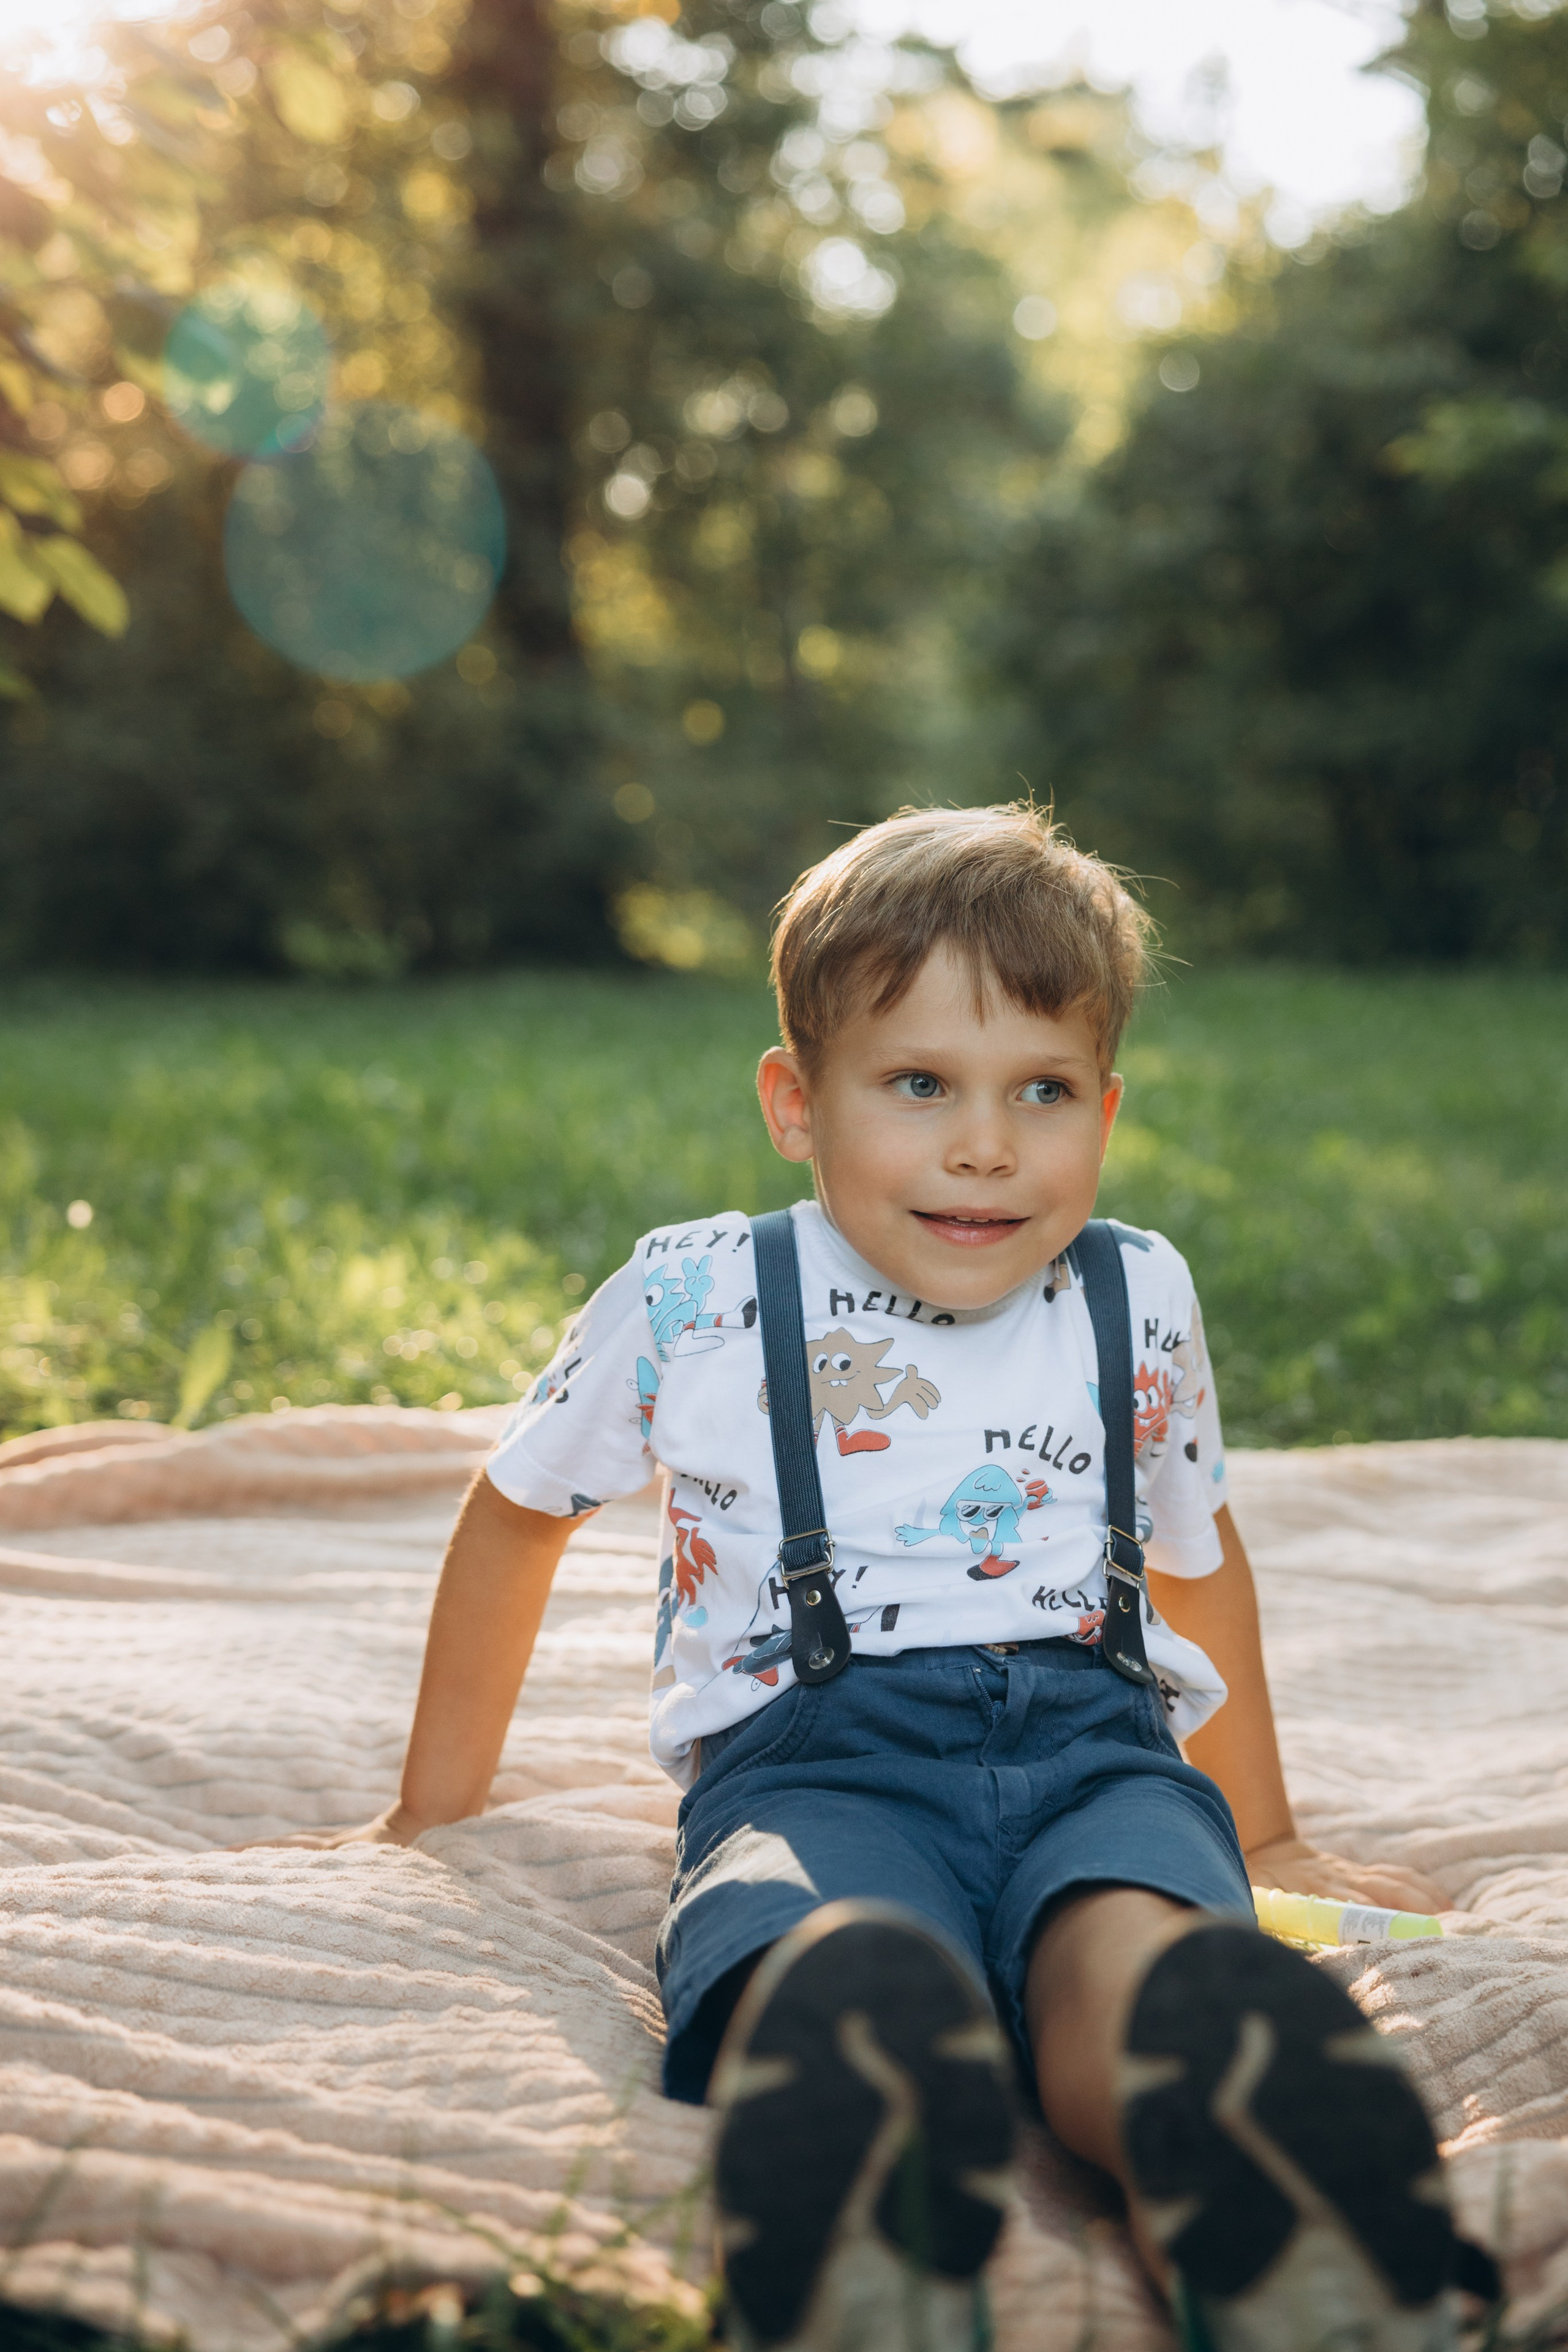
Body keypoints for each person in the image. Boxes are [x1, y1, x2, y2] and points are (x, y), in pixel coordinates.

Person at [264, 807, 1469, 2352]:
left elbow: (1194, 1554)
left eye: (1041, 1090)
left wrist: (1271, 1825)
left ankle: (1234, 2124)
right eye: (917, 1085)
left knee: (1137, 1946)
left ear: (1106, 1108)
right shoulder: (697, 1293)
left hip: (1102, 1751)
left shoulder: (1137, 1291)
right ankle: (867, 2116)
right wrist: (433, 1808)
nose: (984, 1144)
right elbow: (516, 1514)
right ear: (794, 1101)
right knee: (820, 1939)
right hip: (809, 1767)